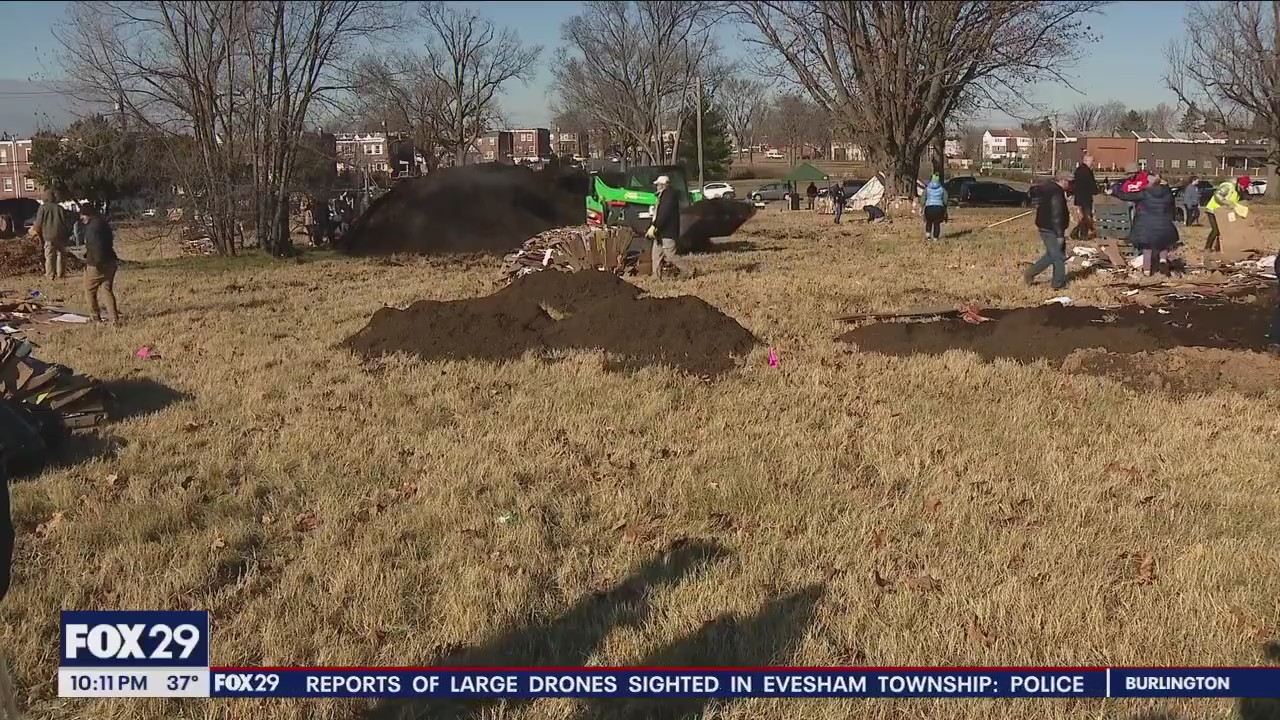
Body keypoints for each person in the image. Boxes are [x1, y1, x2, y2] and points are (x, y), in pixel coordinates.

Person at [1108, 170, 1178, 276]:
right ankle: (1163, 261)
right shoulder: (1167, 193)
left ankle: (1146, 271)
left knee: (1147, 247)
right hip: (1164, 223)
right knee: (1163, 244)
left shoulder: (1146, 193)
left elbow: (1128, 196)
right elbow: (1172, 209)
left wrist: (1114, 192)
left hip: (1147, 224)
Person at [1023, 171, 1071, 290]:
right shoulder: (1057, 193)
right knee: (1059, 256)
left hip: (1045, 225)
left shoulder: (1049, 188)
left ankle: (1029, 274)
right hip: (1051, 229)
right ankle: (1058, 284)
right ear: (1063, 180)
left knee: (1051, 255)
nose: (1071, 185)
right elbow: (1057, 214)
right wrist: (1060, 235)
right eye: (1070, 182)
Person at [80, 205, 120, 324]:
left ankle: (95, 317)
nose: (81, 218)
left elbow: (96, 246)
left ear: (88, 215)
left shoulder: (92, 228)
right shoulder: (104, 224)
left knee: (89, 290)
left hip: (98, 264)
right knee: (106, 289)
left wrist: (96, 262)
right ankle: (114, 319)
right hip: (111, 261)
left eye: (82, 215)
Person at [646, 174, 685, 279]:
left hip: (667, 231)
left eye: (658, 185)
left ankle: (689, 270)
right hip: (660, 231)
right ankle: (656, 276)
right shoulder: (663, 196)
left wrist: (655, 226)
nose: (657, 187)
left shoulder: (669, 196)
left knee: (670, 255)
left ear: (663, 185)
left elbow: (664, 214)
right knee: (656, 254)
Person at [30, 188, 71, 280]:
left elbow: (39, 223)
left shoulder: (43, 208)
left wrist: (35, 233)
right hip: (61, 235)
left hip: (48, 236)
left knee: (49, 256)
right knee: (61, 255)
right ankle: (61, 273)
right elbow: (66, 222)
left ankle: (50, 275)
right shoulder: (60, 208)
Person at [1204, 176, 1249, 252]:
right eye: (1243, 186)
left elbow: (1234, 204)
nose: (1243, 188)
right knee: (1216, 230)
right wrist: (1227, 203)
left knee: (1222, 230)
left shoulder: (1237, 193)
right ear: (1239, 184)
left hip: (1223, 212)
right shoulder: (1228, 186)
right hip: (1213, 210)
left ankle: (1218, 248)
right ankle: (1207, 248)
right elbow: (1217, 195)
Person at [1070, 155, 1098, 240]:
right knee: (1086, 217)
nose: (1093, 163)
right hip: (1086, 198)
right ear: (1086, 161)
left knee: (1083, 217)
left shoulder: (1078, 170)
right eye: (1092, 161)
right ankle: (1082, 234)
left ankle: (1076, 233)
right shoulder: (1088, 172)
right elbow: (1091, 185)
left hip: (1078, 197)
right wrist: (1096, 191)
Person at [921, 173, 946, 240]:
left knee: (928, 221)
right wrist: (944, 207)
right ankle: (935, 238)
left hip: (929, 207)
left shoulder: (927, 188)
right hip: (939, 208)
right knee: (936, 224)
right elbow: (945, 199)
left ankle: (928, 235)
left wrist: (922, 205)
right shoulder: (942, 189)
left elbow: (923, 198)